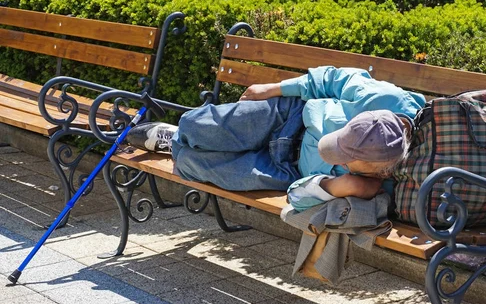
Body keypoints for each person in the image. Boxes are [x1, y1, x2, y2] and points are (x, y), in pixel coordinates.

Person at [125, 66, 425, 211]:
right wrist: (274, 88)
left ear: (381, 169)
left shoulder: (383, 186)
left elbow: (296, 197)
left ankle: (177, 147)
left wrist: (334, 186)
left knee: (195, 167)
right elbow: (334, 79)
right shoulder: (384, 100)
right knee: (195, 125)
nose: (335, 156)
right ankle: (181, 136)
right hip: (290, 117)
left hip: (288, 171)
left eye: (343, 158)